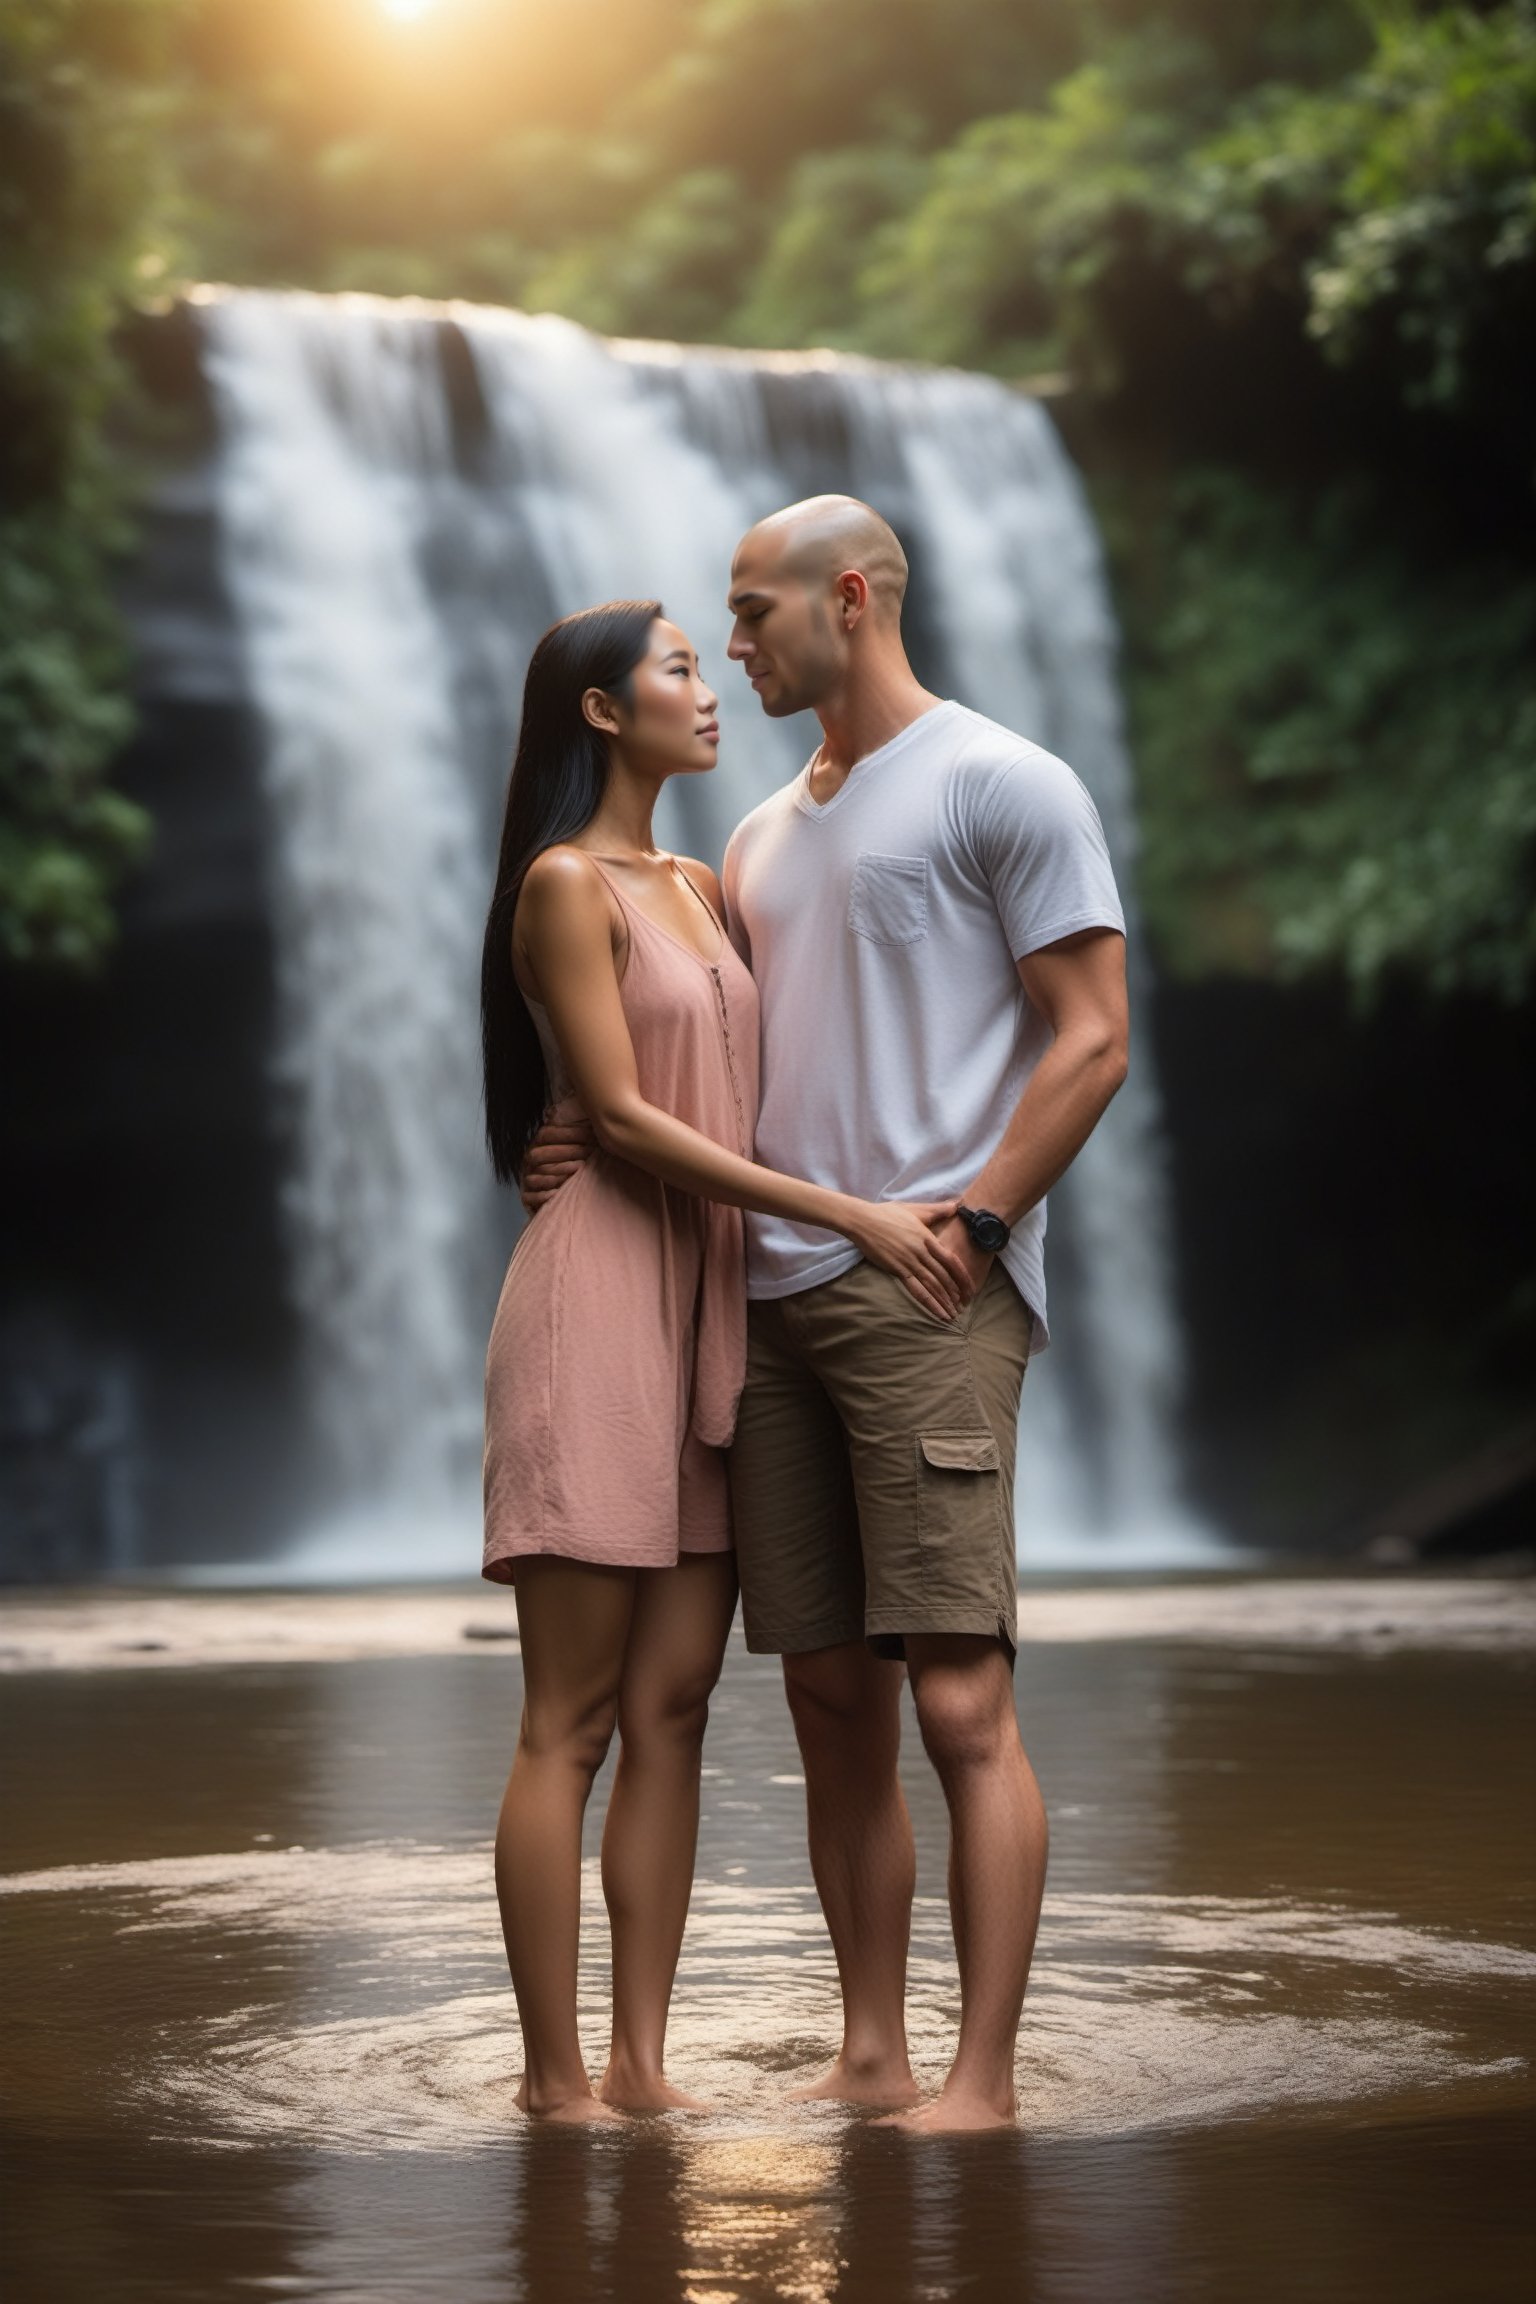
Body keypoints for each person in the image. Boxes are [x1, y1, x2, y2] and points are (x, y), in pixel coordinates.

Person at [524, 501, 1130, 2132]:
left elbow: (1093, 1038)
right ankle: (873, 2050)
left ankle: (981, 2080)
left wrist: (983, 1218)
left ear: (846, 600)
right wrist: (573, 1128)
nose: (731, 649)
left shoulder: (1007, 782)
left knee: (957, 1698)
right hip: (766, 1308)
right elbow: (679, 1045)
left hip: (929, 1285)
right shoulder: (756, 844)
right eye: (710, 630)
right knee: (826, 1699)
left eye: (749, 613)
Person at [480, 597, 966, 2125]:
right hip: (597, 1310)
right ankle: (557, 2082)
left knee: (675, 1703)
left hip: (712, 1318)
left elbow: (752, 1068)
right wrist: (847, 1214)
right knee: (571, 1717)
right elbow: (620, 1118)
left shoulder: (701, 879)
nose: (712, 687)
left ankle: (641, 2065)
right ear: (602, 713)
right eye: (683, 667)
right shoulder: (568, 885)